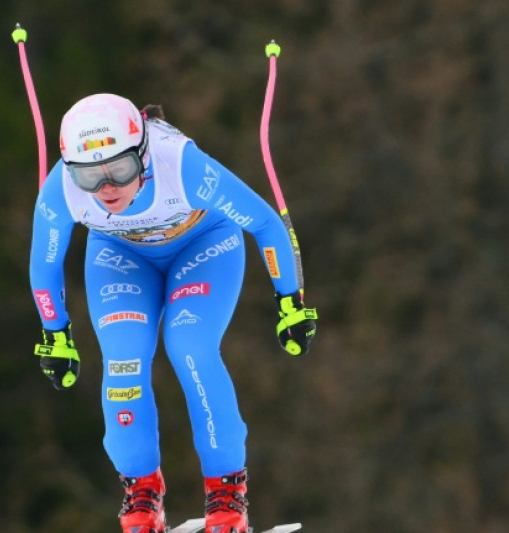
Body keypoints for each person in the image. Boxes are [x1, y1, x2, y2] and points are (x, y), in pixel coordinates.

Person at [28, 93, 317, 533]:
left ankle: (227, 494)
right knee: (123, 361)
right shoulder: (61, 189)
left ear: (143, 156)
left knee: (190, 347)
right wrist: (56, 334)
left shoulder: (180, 164)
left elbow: (265, 223)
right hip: (120, 256)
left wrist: (289, 301)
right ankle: (141, 493)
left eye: (120, 171)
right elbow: (44, 263)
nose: (107, 189)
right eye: (90, 176)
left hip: (202, 244)